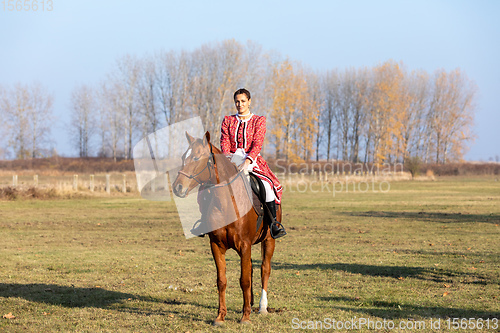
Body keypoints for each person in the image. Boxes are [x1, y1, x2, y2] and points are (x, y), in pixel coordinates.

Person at [220, 88, 286, 239]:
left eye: (243, 101)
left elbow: (257, 143)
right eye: (237, 101)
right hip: (231, 159)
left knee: (268, 187)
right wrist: (230, 160)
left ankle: (273, 224)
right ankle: (205, 222)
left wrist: (247, 161)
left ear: (249, 102)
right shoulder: (228, 121)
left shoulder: (258, 120)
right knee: (212, 183)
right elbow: (224, 142)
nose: (240, 104)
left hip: (252, 159)